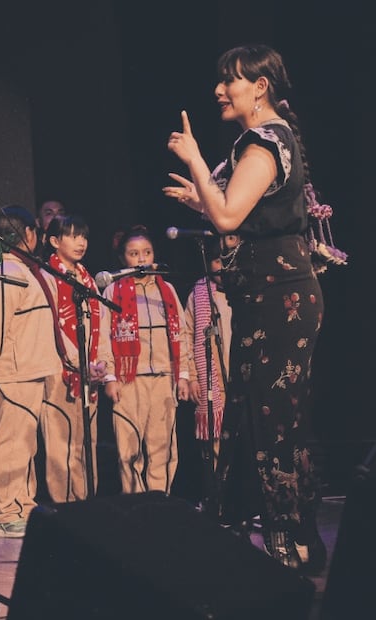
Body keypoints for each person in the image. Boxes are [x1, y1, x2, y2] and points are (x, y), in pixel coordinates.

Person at [164, 44, 326, 572]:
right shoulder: (271, 139)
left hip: (279, 294)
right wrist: (202, 197)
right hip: (273, 292)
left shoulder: (262, 140)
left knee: (271, 417)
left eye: (229, 80)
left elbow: (230, 218)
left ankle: (286, 546)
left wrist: (194, 159)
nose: (219, 89)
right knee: (276, 414)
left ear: (259, 87)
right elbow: (243, 211)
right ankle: (300, 539)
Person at [0, 205, 61, 537]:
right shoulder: (6, 272)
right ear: (28, 234)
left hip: (30, 370)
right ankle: (5, 511)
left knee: (25, 445)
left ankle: (23, 504)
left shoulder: (26, 271)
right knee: (11, 444)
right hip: (13, 372)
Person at [97, 225, 190, 495]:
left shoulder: (167, 290)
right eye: (134, 253)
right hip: (128, 381)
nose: (141, 259)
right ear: (123, 258)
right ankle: (136, 503)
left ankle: (160, 501)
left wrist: (183, 375)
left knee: (163, 448)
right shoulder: (112, 291)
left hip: (163, 379)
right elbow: (103, 337)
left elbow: (181, 334)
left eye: (147, 253)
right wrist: (109, 377)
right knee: (129, 450)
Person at [40, 214, 102, 502]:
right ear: (55, 241)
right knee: (61, 445)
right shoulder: (47, 276)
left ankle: (86, 501)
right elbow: (53, 325)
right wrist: (80, 362)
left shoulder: (89, 279)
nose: (81, 242)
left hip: (90, 372)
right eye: (74, 236)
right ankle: (64, 507)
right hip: (60, 371)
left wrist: (102, 363)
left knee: (86, 443)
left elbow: (101, 322)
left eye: (84, 236)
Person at [182, 236, 236, 471]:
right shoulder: (200, 293)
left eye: (227, 259)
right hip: (214, 383)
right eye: (217, 260)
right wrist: (193, 377)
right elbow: (186, 335)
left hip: (242, 379)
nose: (222, 266)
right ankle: (218, 489)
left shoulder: (247, 291)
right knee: (215, 444)